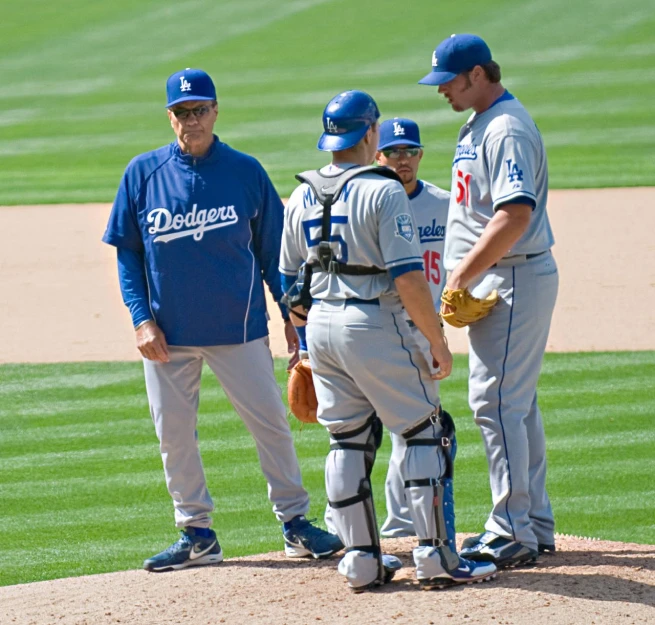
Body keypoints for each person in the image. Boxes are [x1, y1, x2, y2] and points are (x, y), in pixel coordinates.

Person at [102, 68, 343, 572]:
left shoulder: (244, 171)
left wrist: (291, 318)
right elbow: (127, 254)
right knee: (174, 435)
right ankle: (196, 533)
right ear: (170, 117)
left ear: (215, 111)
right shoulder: (143, 173)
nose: (192, 120)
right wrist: (142, 318)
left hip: (239, 330)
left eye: (200, 110)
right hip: (168, 336)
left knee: (272, 425)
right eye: (182, 112)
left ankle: (296, 523)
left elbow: (275, 255)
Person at [279, 90, 496, 592]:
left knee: (347, 438)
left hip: (323, 328)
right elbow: (408, 277)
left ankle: (360, 560)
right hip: (374, 322)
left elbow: (290, 284)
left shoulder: (302, 195)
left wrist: (307, 346)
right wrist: (435, 338)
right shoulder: (383, 191)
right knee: (426, 430)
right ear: (370, 133)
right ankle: (437, 556)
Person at [418, 34, 559, 568]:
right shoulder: (482, 120)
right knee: (515, 405)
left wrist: (459, 276)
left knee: (495, 403)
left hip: (511, 277)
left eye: (449, 81)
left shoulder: (505, 128)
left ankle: (511, 528)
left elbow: (514, 214)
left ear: (479, 74)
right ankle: (534, 521)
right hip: (499, 277)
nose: (442, 91)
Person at [373, 118, 453, 539]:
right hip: (377, 329)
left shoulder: (443, 203)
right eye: (393, 152)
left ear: (420, 155)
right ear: (377, 155)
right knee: (362, 431)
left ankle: (401, 524)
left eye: (410, 152)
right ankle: (351, 522)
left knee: (416, 426)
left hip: (423, 331)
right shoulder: (371, 202)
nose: (402, 160)